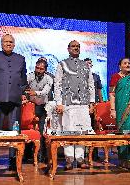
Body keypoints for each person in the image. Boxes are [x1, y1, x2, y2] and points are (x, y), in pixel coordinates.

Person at [0, 34, 27, 172]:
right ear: (1, 43)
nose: (8, 44)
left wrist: (20, 93)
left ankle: (14, 160)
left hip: (14, 101)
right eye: (5, 41)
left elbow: (23, 80)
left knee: (15, 132)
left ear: (14, 44)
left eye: (11, 42)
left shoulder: (20, 58)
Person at [54, 40, 95, 170]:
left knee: (82, 131)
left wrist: (92, 103)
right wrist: (59, 102)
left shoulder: (86, 65)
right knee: (68, 131)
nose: (76, 48)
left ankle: (80, 159)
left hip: (83, 103)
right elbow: (57, 84)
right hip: (67, 103)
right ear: (68, 49)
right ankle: (69, 160)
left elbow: (90, 85)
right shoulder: (62, 64)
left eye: (78, 47)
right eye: (73, 46)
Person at [26, 58, 53, 162]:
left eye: (41, 69)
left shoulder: (49, 78)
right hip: (30, 107)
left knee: (42, 131)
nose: (38, 70)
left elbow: (45, 91)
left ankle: (41, 156)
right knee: (28, 130)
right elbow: (24, 87)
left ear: (45, 70)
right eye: (37, 68)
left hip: (42, 107)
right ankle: (27, 155)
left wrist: (35, 93)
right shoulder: (29, 76)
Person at [84, 58, 103, 160]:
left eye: (90, 64)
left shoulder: (96, 76)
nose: (88, 65)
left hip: (94, 106)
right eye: (87, 63)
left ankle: (94, 154)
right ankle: (82, 154)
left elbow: (99, 91)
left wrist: (101, 102)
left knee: (93, 128)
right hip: (82, 106)